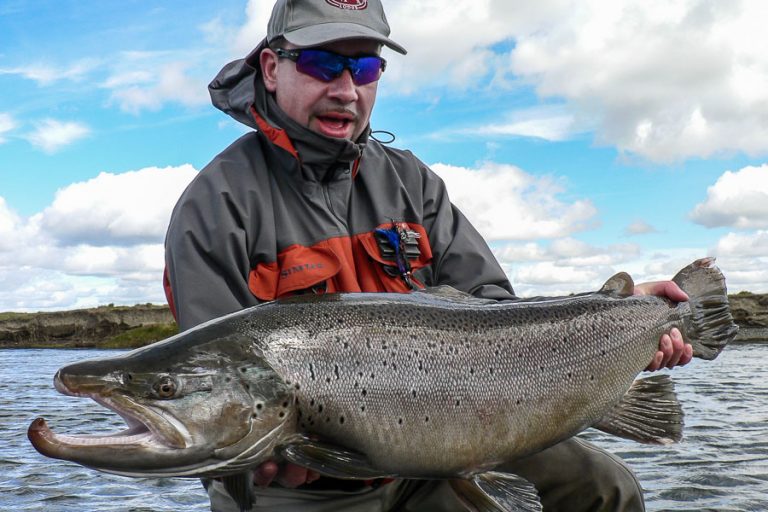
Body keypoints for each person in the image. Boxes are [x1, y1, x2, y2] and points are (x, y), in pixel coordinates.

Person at [163, 0, 692, 510]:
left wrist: (619, 316)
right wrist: (251, 459)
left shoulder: (412, 181)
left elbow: (496, 312)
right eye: (325, 63)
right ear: (272, 69)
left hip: (450, 449)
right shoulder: (215, 207)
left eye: (366, 67)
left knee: (605, 490)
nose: (347, 90)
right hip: (303, 486)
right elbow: (206, 390)